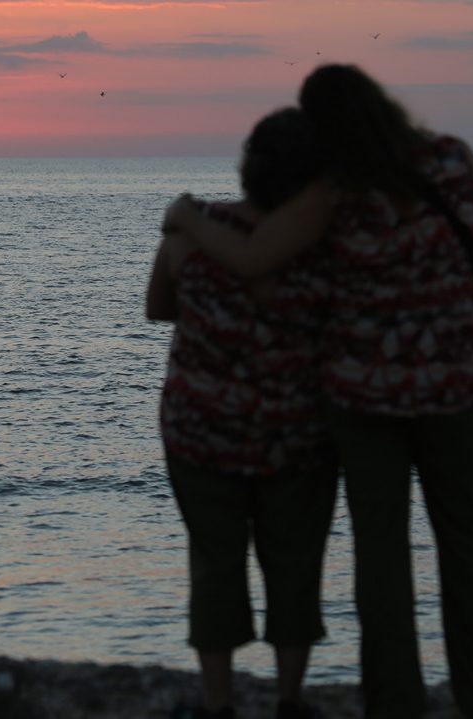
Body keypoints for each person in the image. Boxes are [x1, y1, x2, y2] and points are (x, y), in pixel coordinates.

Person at [163, 64, 473, 719]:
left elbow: (252, 259)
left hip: (369, 402)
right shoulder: (452, 155)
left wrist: (184, 218)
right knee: (469, 544)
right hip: (463, 389)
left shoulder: (335, 191)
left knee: (382, 553)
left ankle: (394, 705)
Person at [146, 107, 339, 719]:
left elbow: (157, 308)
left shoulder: (190, 235)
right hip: (298, 433)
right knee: (295, 559)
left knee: (215, 561)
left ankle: (219, 703)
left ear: (249, 166)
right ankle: (288, 700)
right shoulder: (324, 245)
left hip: (200, 428)